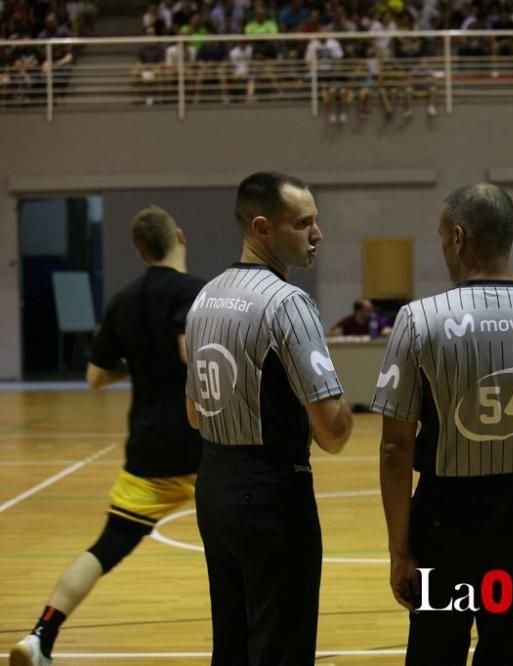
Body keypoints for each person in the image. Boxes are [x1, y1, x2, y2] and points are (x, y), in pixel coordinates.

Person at [374, 183, 513, 665]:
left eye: (441, 236)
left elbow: (396, 450)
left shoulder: (419, 321)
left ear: (457, 237)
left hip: (443, 522)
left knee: (436, 650)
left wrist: (399, 550)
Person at [9, 206, 205, 666]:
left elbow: (96, 377)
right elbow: (189, 356)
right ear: (178, 235)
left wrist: (137, 361)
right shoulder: (196, 292)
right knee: (243, 545)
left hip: (147, 455)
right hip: (202, 450)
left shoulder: (123, 299)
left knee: (105, 548)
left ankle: (42, 636)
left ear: (139, 250)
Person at [184, 172, 353, 665]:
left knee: (232, 646)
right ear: (262, 228)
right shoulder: (288, 304)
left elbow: (194, 413)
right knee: (281, 649)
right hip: (273, 497)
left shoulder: (204, 299)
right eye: (303, 224)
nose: (317, 234)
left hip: (214, 488)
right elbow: (332, 431)